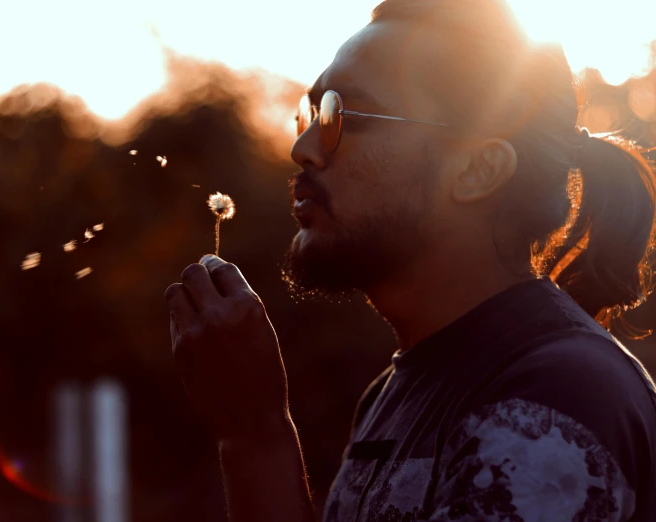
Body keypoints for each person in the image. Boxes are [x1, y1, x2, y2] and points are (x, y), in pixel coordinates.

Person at [164, 0, 656, 520]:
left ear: (477, 170)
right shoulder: (393, 394)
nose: (303, 148)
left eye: (339, 115)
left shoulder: (556, 399)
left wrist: (255, 435)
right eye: (311, 114)